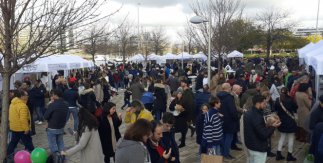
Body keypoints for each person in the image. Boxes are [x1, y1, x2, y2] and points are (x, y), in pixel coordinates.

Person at [244, 95, 280, 163]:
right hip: (258, 148)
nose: (266, 105)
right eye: (264, 103)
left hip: (250, 146)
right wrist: (273, 126)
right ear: (258, 103)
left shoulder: (248, 113)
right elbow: (264, 134)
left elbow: (254, 128)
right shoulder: (257, 116)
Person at [7, 90, 35, 157]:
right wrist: (26, 129)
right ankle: (33, 154)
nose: (27, 96)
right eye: (26, 95)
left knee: (13, 142)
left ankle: (9, 154)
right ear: (22, 96)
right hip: (21, 128)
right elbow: (23, 119)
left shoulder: (12, 104)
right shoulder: (22, 106)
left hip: (14, 127)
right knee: (28, 142)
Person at [217, 83, 239, 159]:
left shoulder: (218, 96)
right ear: (228, 88)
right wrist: (236, 118)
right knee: (228, 138)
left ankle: (222, 152)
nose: (231, 88)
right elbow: (232, 110)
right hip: (229, 121)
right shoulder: (229, 97)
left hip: (221, 119)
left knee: (222, 137)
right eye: (230, 87)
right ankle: (226, 154)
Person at [275, 87, 297, 161]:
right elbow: (295, 108)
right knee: (291, 138)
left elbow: (275, 109)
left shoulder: (278, 100)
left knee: (282, 137)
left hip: (281, 121)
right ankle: (289, 155)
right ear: (287, 92)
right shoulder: (290, 99)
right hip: (290, 121)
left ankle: (278, 154)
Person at [44, 89, 69, 154]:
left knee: (53, 145)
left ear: (55, 95)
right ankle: (62, 157)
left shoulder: (52, 105)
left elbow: (45, 116)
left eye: (52, 94)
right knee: (60, 143)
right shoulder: (66, 104)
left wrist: (49, 106)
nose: (51, 96)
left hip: (52, 127)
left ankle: (56, 158)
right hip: (61, 126)